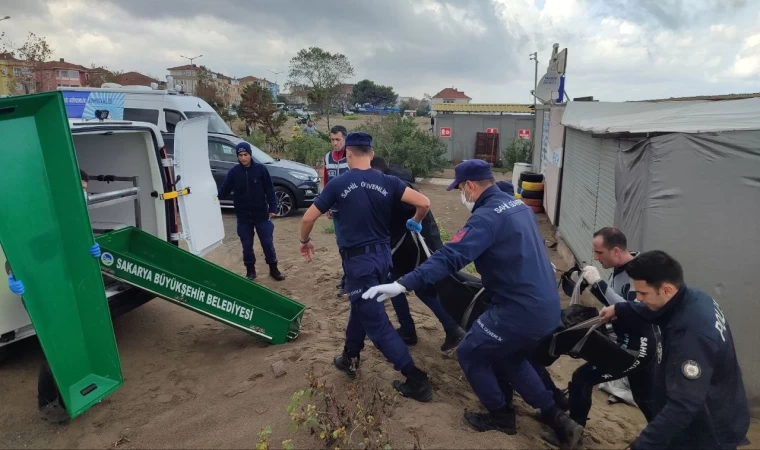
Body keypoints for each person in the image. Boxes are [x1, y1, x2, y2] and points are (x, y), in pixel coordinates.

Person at [364, 160, 583, 447]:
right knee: (511, 356)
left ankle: (501, 416)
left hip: (517, 310)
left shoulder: (486, 217)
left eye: (461, 189)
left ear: (470, 185)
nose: (462, 196)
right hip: (547, 305)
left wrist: (402, 283)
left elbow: (450, 257)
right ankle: (558, 418)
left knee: (470, 352)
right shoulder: (518, 207)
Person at [299, 131, 434, 402]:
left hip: (358, 262)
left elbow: (308, 217)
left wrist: (305, 241)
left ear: (348, 154)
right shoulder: (389, 181)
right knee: (360, 305)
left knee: (376, 321)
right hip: (383, 258)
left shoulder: (339, 184)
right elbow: (424, 202)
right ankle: (350, 356)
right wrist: (414, 222)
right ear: (371, 154)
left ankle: (415, 378)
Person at [599, 250, 749, 450]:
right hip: (717, 406)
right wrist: (621, 309)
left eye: (643, 293)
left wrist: (642, 446)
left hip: (708, 430)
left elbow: (683, 406)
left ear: (667, 289)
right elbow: (658, 311)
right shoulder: (694, 298)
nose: (639, 298)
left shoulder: (690, 337)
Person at [5, 169, 101, 423]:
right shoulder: (36, 214)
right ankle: (47, 403)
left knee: (73, 339)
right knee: (54, 345)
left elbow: (72, 250)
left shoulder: (73, 215)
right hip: (38, 291)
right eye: (79, 188)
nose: (84, 194)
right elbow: (17, 252)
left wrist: (90, 253)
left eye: (85, 189)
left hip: (63, 286)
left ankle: (74, 390)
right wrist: (12, 276)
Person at [369, 156, 466, 351]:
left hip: (412, 247)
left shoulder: (394, 188)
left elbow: (421, 205)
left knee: (394, 283)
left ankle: (409, 331)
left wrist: (413, 221)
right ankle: (451, 328)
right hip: (421, 244)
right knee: (422, 288)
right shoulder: (396, 180)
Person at [567, 227, 660, 428]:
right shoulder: (622, 268)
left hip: (637, 347)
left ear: (616, 251)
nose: (595, 257)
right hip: (638, 344)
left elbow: (633, 310)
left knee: (582, 378)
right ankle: (670, 439)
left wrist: (598, 284)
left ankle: (572, 432)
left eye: (599, 253)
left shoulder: (640, 273)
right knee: (646, 400)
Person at [218, 142, 284, 281]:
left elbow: (269, 190)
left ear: (250, 154)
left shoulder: (261, 170)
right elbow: (224, 190)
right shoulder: (234, 173)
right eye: (240, 155)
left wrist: (273, 208)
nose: (243, 158)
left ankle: (274, 269)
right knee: (247, 245)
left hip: (261, 214)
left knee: (267, 243)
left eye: (245, 155)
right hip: (243, 217)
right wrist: (211, 196)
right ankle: (250, 271)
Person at [323, 125, 350, 294]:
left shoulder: (352, 156)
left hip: (352, 210)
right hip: (336, 210)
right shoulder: (327, 157)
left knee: (352, 244)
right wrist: (326, 204)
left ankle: (352, 279)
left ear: (345, 139)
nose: (335, 143)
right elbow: (326, 182)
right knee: (342, 245)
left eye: (338, 139)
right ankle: (347, 276)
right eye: (332, 140)